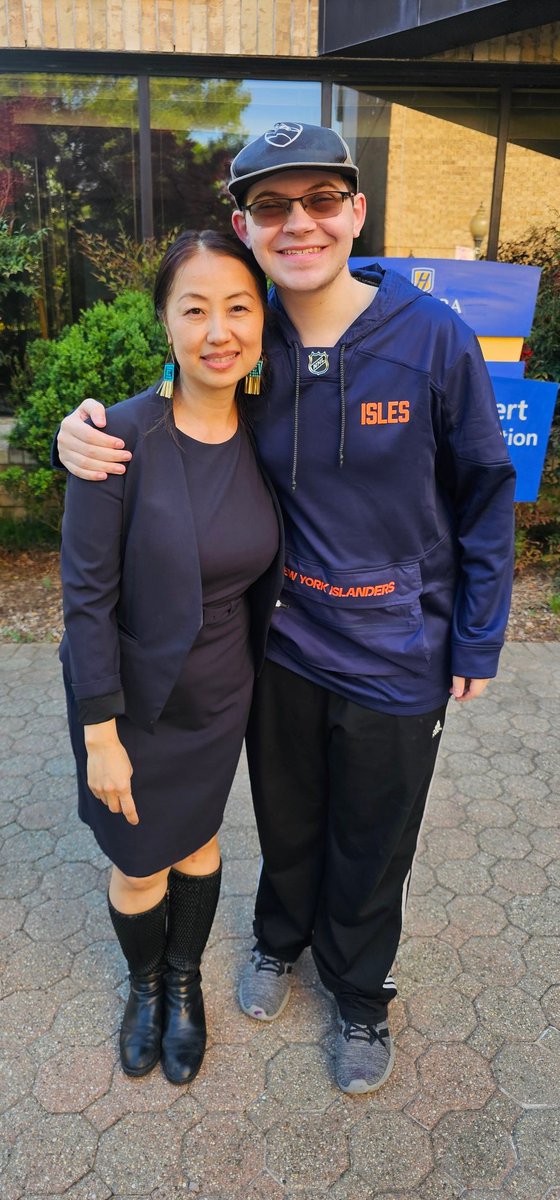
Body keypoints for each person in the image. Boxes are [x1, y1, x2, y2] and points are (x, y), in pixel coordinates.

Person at [56, 123, 516, 1096]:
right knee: (289, 823)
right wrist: (82, 431)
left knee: (372, 841)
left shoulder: (429, 337)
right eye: (272, 204)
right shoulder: (257, 332)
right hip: (286, 652)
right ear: (246, 222)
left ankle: (356, 996)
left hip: (398, 652)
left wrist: (476, 630)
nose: (297, 220)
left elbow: (482, 488)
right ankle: (270, 946)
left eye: (319, 199)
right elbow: (188, 377)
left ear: (354, 211)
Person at [59, 229, 282, 1086]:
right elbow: (87, 600)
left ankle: (183, 981)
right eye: (195, 309)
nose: (217, 329)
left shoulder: (273, 432)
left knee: (197, 844)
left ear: (262, 321)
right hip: (130, 703)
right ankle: (142, 981)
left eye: (238, 307)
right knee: (136, 859)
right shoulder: (116, 437)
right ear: (165, 323)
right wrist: (100, 734)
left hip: (222, 694)